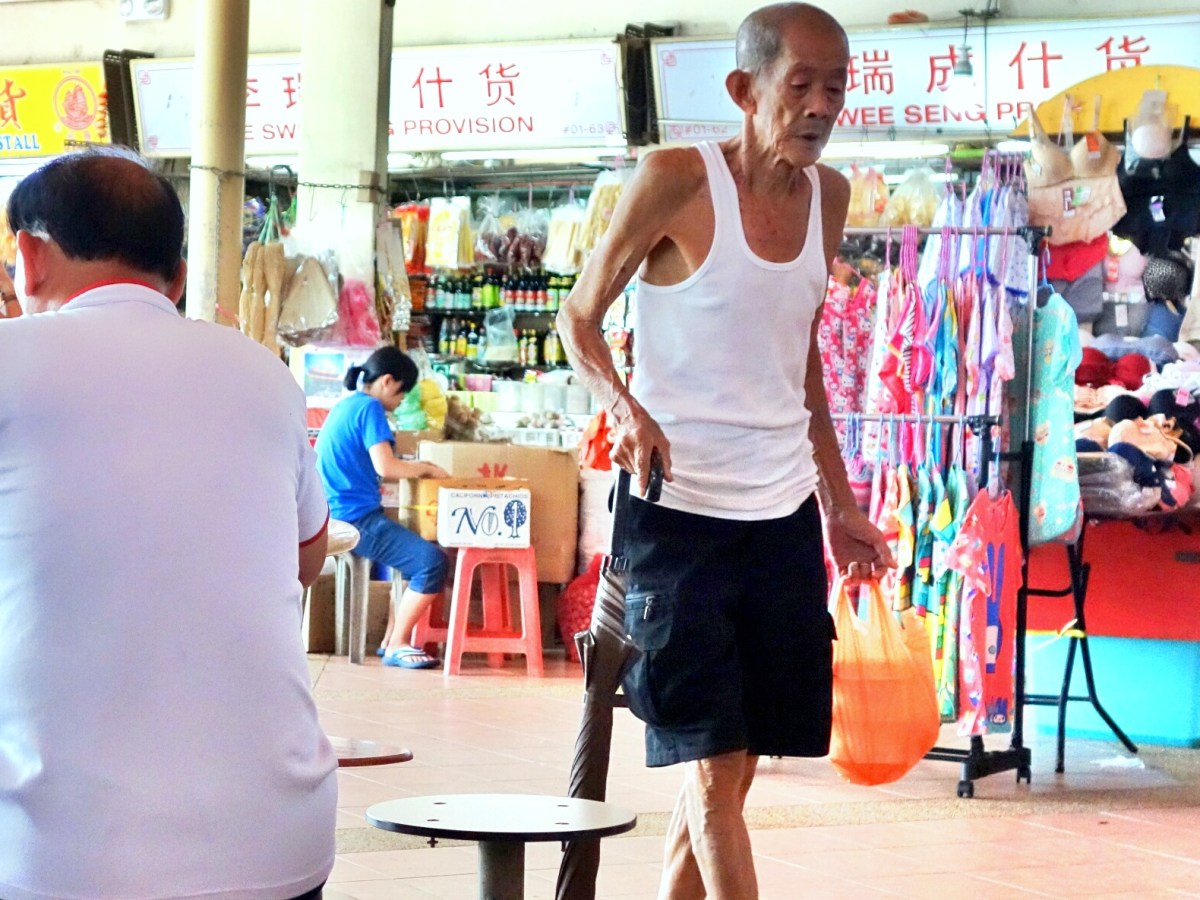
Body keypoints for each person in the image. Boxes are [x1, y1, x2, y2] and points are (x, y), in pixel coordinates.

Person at [556, 4, 896, 897]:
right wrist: (621, 407)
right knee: (712, 773)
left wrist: (841, 504)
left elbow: (804, 360)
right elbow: (577, 316)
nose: (822, 105)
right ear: (745, 91)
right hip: (677, 514)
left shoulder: (830, 197)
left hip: (779, 516)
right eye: (802, 85)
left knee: (737, 767)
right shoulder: (677, 178)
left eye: (837, 86)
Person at [0, 148, 336, 898]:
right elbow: (307, 555)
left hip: (60, 854)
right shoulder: (264, 374)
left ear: (28, 253)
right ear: (177, 275)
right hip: (279, 845)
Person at [314, 346, 451, 669]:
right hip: (354, 518)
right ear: (388, 382)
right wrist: (427, 468)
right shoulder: (370, 409)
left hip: (333, 513)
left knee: (409, 561)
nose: (402, 402)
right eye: (402, 394)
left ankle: (392, 639)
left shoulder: (345, 406)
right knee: (431, 563)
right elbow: (386, 466)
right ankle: (398, 644)